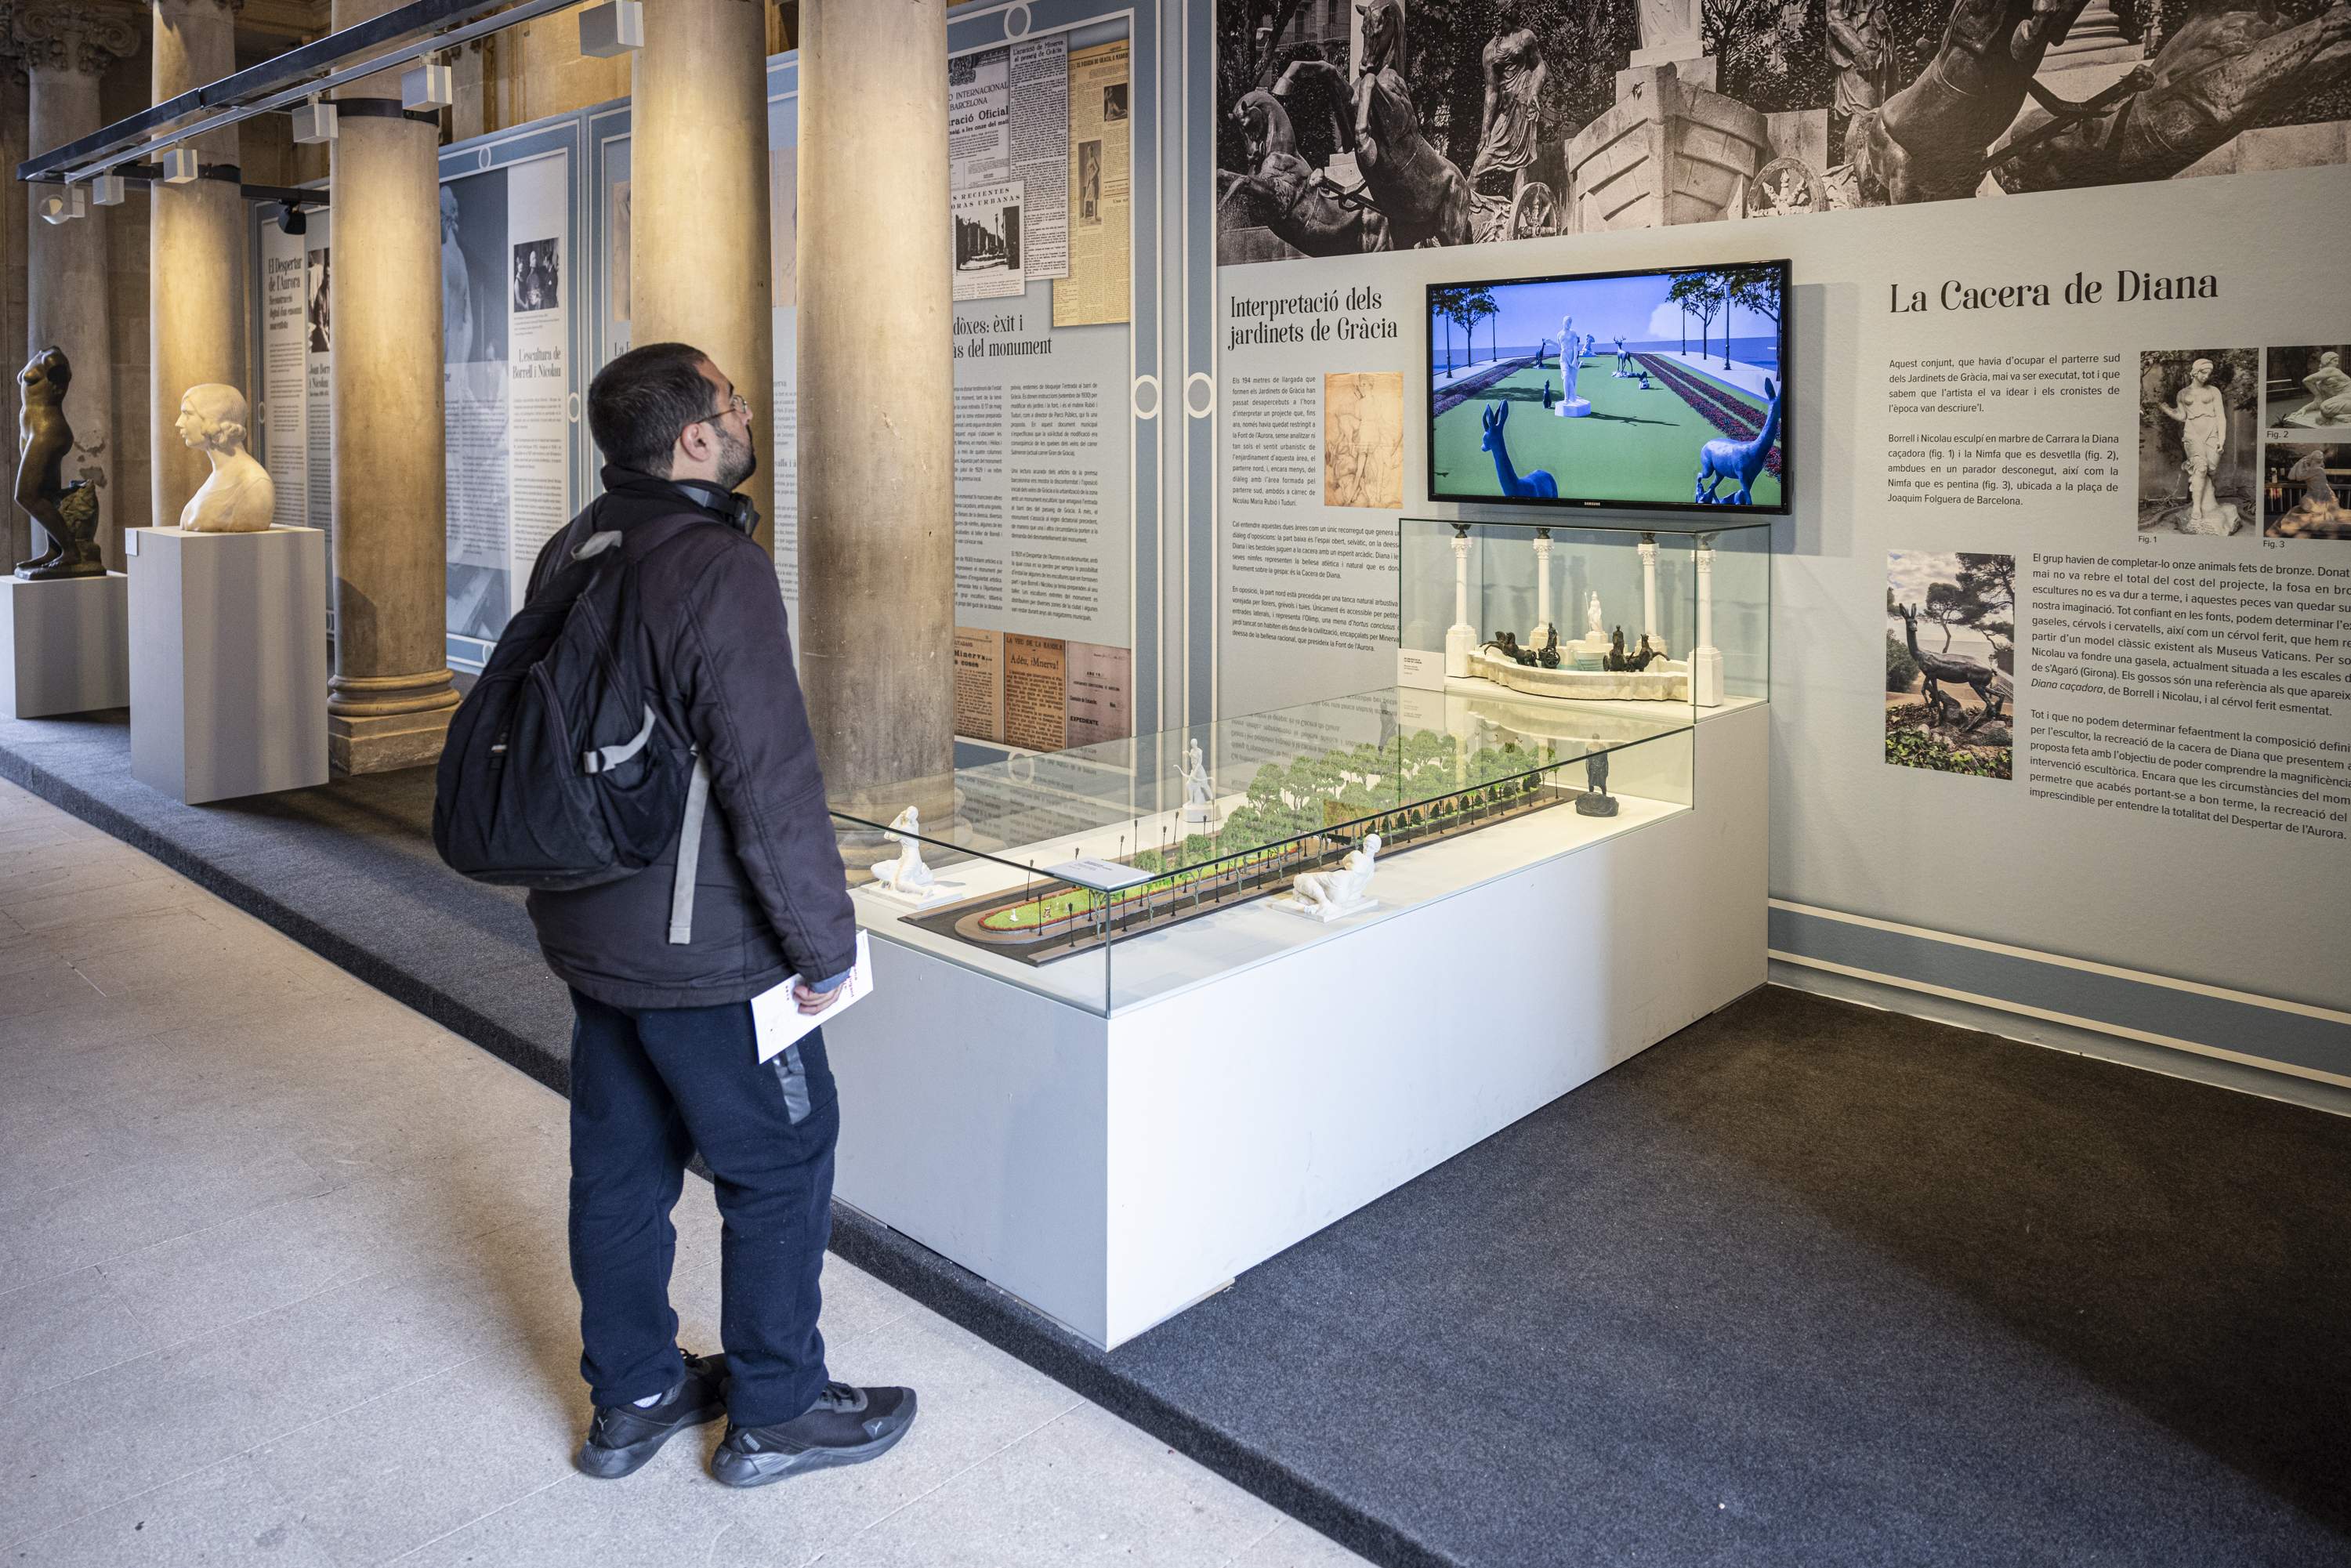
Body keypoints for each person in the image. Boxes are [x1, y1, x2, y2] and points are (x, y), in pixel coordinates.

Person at [526, 340, 916, 1487]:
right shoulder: (717, 567)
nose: (748, 412)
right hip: (706, 953)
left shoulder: (579, 541)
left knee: (619, 1165)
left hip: (593, 935)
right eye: (733, 400)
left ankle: (636, 1392)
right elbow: (768, 777)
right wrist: (826, 943)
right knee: (783, 1158)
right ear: (696, 437)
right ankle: (781, 1408)